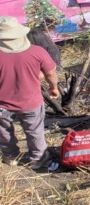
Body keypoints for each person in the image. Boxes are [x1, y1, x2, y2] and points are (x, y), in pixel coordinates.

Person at [0, 17, 59, 170]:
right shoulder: (37, 52)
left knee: (4, 133)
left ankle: (11, 157)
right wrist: (54, 87)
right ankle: (38, 160)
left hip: (2, 105)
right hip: (30, 102)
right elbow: (51, 73)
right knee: (35, 132)